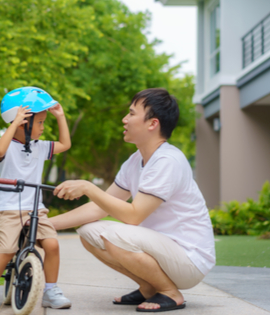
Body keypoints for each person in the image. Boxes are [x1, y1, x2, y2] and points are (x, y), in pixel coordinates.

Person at [49, 88, 216, 312]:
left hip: (189, 258)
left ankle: (169, 292)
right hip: (163, 250)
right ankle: (149, 287)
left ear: (152, 124)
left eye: (131, 113)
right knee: (89, 232)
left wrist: (88, 187)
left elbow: (134, 215)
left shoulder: (167, 160)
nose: (124, 119)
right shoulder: (135, 160)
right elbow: (99, 208)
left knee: (113, 235)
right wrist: (47, 224)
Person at [0, 87, 72, 311]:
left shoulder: (40, 147)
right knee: (7, 249)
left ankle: (51, 290)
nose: (43, 127)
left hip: (35, 208)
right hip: (9, 209)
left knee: (52, 244)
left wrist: (61, 117)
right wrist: (14, 123)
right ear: (22, 123)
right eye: (39, 122)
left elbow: (65, 145)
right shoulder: (6, 145)